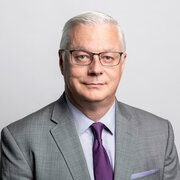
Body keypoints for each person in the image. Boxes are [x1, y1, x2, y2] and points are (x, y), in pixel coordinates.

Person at [0, 11, 180, 180]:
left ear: (122, 63)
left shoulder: (160, 134)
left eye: (108, 57)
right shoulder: (19, 140)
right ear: (62, 62)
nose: (96, 69)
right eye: (82, 57)